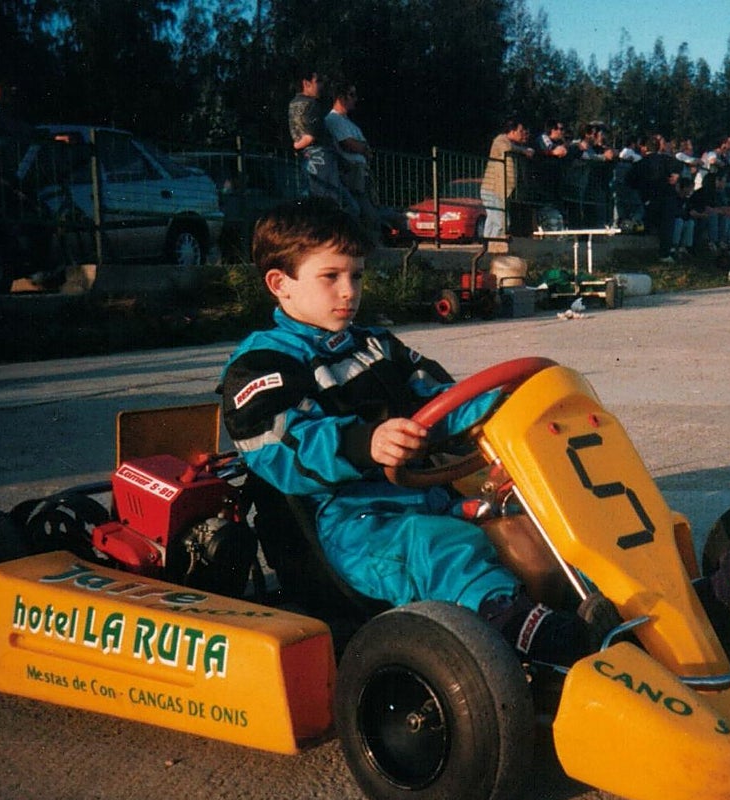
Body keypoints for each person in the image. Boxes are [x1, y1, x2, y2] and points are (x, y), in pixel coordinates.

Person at [218, 198, 594, 665]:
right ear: (281, 284)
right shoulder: (263, 365)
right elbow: (276, 447)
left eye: (355, 276)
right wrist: (364, 442)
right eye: (330, 277)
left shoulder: (375, 345)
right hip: (349, 525)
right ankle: (519, 626)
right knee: (439, 546)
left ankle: (608, 609)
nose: (348, 291)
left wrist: (505, 405)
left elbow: (442, 401)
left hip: (421, 498)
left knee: (544, 514)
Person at [324, 81, 392, 242]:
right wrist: (363, 148)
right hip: (351, 171)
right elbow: (348, 143)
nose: (355, 99)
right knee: (364, 211)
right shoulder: (334, 120)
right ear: (340, 97)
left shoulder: (348, 122)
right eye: (351, 95)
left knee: (371, 209)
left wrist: (363, 148)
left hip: (361, 171)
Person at [287, 69, 353, 210]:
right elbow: (311, 135)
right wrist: (299, 144)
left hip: (308, 156)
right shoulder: (312, 104)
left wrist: (297, 145)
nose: (321, 86)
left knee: (315, 196)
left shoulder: (294, 103)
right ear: (306, 83)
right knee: (331, 201)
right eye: (318, 81)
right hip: (321, 155)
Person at [481, 119, 534, 239]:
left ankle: (487, 247)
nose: (522, 133)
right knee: (502, 222)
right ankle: (495, 248)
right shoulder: (500, 140)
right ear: (512, 131)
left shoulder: (515, 146)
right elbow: (507, 147)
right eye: (520, 131)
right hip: (493, 190)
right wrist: (524, 151)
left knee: (493, 222)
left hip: (500, 191)